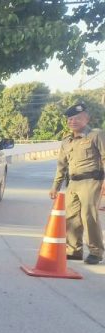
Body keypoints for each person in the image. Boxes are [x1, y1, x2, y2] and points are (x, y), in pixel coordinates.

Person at [49, 101, 105, 265]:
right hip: (73, 183)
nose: (72, 121)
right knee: (72, 217)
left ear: (86, 119)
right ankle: (74, 250)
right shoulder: (66, 141)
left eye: (77, 118)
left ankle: (96, 251)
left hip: (91, 181)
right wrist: (55, 186)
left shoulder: (95, 135)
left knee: (89, 216)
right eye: (70, 119)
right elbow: (61, 165)